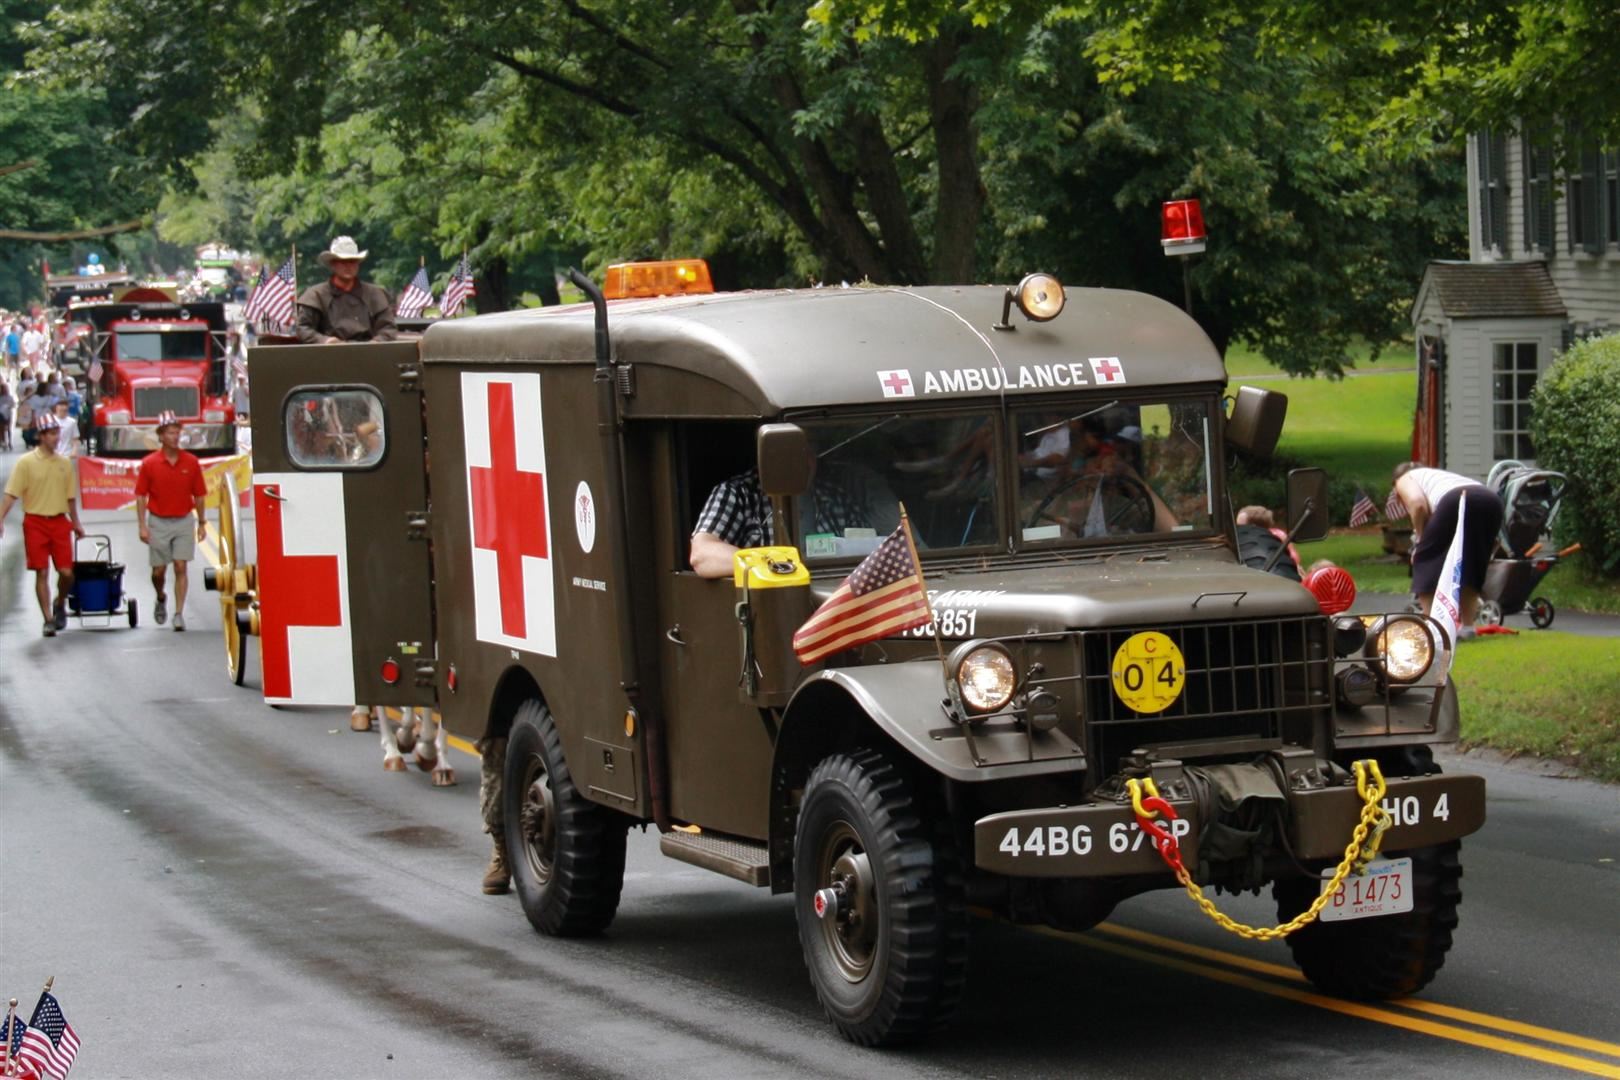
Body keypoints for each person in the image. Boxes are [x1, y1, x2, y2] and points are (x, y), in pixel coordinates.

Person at [0, 413, 86, 636]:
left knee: (67, 573)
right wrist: (0, 518)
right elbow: (11, 494)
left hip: (59, 521)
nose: (55, 438)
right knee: (41, 572)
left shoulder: (64, 464)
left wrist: (76, 523)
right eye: (50, 434)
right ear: (41, 436)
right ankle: (48, 619)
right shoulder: (26, 463)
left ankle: (60, 603)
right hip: (35, 521)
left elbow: (70, 498)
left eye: (57, 433)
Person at [1391, 462, 1505, 631]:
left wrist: (1420, 541)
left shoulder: (1404, 479)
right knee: (1470, 565)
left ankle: (1435, 628)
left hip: (1457, 499)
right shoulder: (1436, 476)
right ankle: (1467, 628)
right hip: (1491, 501)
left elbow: (1417, 504)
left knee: (1424, 560)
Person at [134, 410, 208, 632]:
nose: (175, 437)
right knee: (158, 571)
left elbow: (200, 495)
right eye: (170, 432)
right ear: (161, 435)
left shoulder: (191, 462)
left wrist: (202, 522)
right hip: (158, 520)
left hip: (183, 520)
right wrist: (142, 525)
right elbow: (140, 495)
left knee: (180, 566)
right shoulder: (150, 463)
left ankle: (178, 613)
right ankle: (160, 595)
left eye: (177, 432)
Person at [295, 236, 401, 345]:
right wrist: (325, 341)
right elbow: (303, 328)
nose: (348, 266)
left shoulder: (375, 294)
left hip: (369, 356)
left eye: (352, 261)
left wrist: (375, 343)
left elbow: (388, 328)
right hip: (327, 356)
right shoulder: (315, 295)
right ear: (333, 264)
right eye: (343, 262)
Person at [0, 379, 14, 451]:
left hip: (8, 414)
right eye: (4, 389)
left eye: (6, 389)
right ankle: (3, 441)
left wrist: (8, 406)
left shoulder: (10, 397)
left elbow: (13, 404)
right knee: (1, 428)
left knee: (8, 428)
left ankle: (9, 442)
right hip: (1, 414)